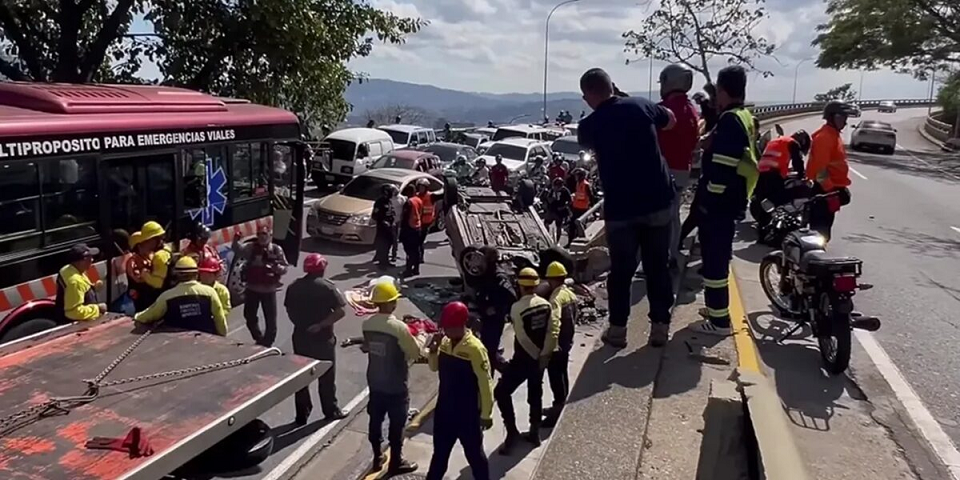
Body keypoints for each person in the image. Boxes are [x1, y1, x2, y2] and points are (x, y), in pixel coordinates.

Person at [577, 67, 677, 348]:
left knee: (621, 271)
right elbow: (671, 121)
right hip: (658, 202)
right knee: (657, 266)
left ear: (587, 97)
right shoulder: (642, 105)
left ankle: (618, 330)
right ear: (613, 86)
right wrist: (626, 99)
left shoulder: (590, 125)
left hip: (621, 211)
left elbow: (587, 138)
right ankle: (659, 328)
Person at [694, 65, 759, 336]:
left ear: (722, 91)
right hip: (733, 199)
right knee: (716, 259)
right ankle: (715, 310)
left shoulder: (730, 120)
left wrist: (708, 197)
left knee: (715, 262)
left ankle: (720, 321)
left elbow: (723, 166)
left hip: (720, 204)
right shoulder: (744, 116)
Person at [425, 301, 493, 480]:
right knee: (439, 456)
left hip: (467, 414)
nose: (445, 331)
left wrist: (486, 414)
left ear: (460, 325)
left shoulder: (475, 349)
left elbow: (486, 383)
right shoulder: (445, 343)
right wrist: (433, 350)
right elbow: (434, 368)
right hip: (444, 411)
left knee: (475, 456)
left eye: (448, 327)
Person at [495, 268, 557, 454]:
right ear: (536, 285)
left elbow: (522, 337)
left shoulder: (517, 308)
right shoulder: (546, 304)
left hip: (524, 359)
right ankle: (534, 433)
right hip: (541, 359)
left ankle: (512, 433)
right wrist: (544, 355)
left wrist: (534, 356)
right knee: (535, 395)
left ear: (520, 286)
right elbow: (552, 332)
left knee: (501, 391)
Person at [362, 281, 420, 475]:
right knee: (397, 425)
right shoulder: (399, 328)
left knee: (375, 420)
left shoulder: (367, 324)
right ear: (392, 303)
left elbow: (370, 346)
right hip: (396, 384)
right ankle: (396, 461)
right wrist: (418, 335)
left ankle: (377, 456)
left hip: (375, 381)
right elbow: (414, 352)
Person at [288, 253, 348, 425]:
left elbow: (289, 310)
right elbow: (340, 311)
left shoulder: (294, 287)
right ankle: (331, 410)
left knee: (301, 377)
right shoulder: (328, 288)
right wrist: (321, 325)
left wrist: (301, 324)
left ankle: (301, 415)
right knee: (327, 377)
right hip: (323, 338)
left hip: (300, 337)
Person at [657, 64, 700, 268]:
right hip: (683, 168)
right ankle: (671, 253)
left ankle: (665, 257)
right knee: (673, 214)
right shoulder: (690, 109)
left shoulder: (668, 109)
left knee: (662, 217)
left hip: (667, 170)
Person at [134, 257, 228, 336]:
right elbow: (219, 319)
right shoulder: (210, 292)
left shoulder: (167, 296)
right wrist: (223, 336)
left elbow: (150, 315)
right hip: (207, 338)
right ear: (196, 274)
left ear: (177, 275)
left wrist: (137, 316)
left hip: (178, 343)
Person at [805, 100, 855, 241]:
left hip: (829, 190)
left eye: (846, 118)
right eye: (842, 118)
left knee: (825, 231)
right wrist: (831, 190)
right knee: (819, 233)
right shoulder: (825, 137)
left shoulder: (833, 135)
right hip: (824, 192)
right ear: (832, 117)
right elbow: (820, 170)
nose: (845, 122)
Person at [232, 223, 288, 346]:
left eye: (264, 234)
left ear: (270, 235)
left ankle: (268, 342)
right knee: (249, 315)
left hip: (269, 290)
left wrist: (276, 267)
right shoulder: (251, 248)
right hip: (252, 288)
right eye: (259, 234)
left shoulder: (276, 249)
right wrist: (236, 240)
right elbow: (238, 250)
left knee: (270, 320)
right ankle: (258, 337)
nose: (262, 237)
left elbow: (285, 268)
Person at [542, 262, 577, 428]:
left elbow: (554, 323)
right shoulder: (570, 294)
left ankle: (556, 412)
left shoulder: (555, 298)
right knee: (562, 374)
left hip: (558, 345)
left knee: (555, 377)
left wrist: (549, 347)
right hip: (567, 342)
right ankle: (561, 406)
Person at [752, 130, 811, 225]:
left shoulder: (777, 140)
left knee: (763, 200)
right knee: (780, 197)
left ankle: (763, 225)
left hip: (761, 171)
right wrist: (801, 175)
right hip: (774, 173)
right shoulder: (792, 143)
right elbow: (797, 161)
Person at [474, 246, 516, 372]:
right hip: (485, 317)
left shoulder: (498, 277)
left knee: (488, 352)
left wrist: (497, 309)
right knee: (486, 348)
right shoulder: (485, 272)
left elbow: (512, 297)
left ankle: (491, 378)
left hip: (494, 320)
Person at [56, 243, 107, 322]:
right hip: (80, 327)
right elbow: (72, 312)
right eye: (89, 258)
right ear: (80, 262)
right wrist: (98, 309)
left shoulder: (67, 270)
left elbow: (74, 292)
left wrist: (92, 288)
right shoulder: (75, 282)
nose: (92, 260)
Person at [138, 221, 173, 294]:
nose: (145, 243)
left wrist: (144, 273)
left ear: (155, 240)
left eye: (146, 241)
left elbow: (158, 284)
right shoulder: (166, 249)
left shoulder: (159, 256)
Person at [416, 178, 444, 264]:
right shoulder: (416, 195)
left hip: (426, 223)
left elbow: (443, 194)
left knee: (420, 241)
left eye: (423, 187)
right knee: (416, 242)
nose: (421, 189)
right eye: (419, 187)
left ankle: (420, 258)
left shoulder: (431, 196)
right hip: (417, 222)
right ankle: (418, 257)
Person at [399, 185, 423, 277]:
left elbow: (405, 218)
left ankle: (408, 271)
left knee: (409, 251)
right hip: (418, 227)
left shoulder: (409, 202)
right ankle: (416, 269)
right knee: (416, 250)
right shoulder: (418, 200)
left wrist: (401, 232)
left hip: (409, 228)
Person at [567, 168, 594, 248]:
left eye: (577, 175)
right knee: (572, 226)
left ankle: (583, 241)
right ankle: (570, 242)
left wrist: (592, 208)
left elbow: (591, 196)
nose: (576, 177)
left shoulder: (586, 185)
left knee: (579, 225)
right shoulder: (578, 183)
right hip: (576, 207)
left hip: (583, 208)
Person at [372, 185, 397, 269]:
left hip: (390, 227)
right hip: (382, 228)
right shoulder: (380, 202)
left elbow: (392, 212)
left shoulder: (389, 201)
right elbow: (374, 215)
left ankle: (386, 261)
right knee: (383, 245)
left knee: (389, 244)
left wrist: (392, 221)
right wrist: (383, 222)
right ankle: (382, 263)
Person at [545, 177, 572, 243]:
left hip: (560, 211)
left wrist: (563, 207)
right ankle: (547, 237)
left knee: (559, 226)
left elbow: (570, 201)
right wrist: (552, 199)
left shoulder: (565, 191)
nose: (556, 187)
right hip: (551, 210)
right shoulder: (552, 190)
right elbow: (548, 199)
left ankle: (557, 241)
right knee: (546, 224)